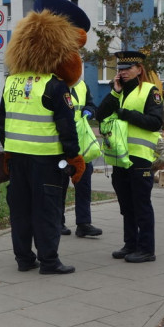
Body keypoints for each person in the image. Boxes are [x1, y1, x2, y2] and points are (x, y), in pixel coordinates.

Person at [0, 0, 87, 275]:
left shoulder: (11, 82)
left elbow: (3, 121)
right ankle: (49, 261)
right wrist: (74, 157)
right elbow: (66, 127)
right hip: (47, 161)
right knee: (46, 211)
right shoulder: (54, 86)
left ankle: (24, 259)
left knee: (20, 212)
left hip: (16, 158)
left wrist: (7, 150)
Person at [96, 50, 164, 263]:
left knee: (141, 204)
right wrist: (115, 93)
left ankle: (146, 249)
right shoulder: (118, 92)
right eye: (120, 70)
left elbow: (155, 122)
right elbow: (100, 115)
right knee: (126, 204)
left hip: (139, 157)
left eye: (128, 69)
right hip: (120, 157)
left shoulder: (150, 92)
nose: (123, 73)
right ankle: (130, 244)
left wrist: (125, 114)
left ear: (139, 69)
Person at [61, 78, 103, 238]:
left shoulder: (82, 85)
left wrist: (89, 111)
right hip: (61, 142)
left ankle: (83, 223)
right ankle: (58, 222)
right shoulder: (54, 83)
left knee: (84, 184)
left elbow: (92, 105)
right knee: (60, 184)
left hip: (81, 142)